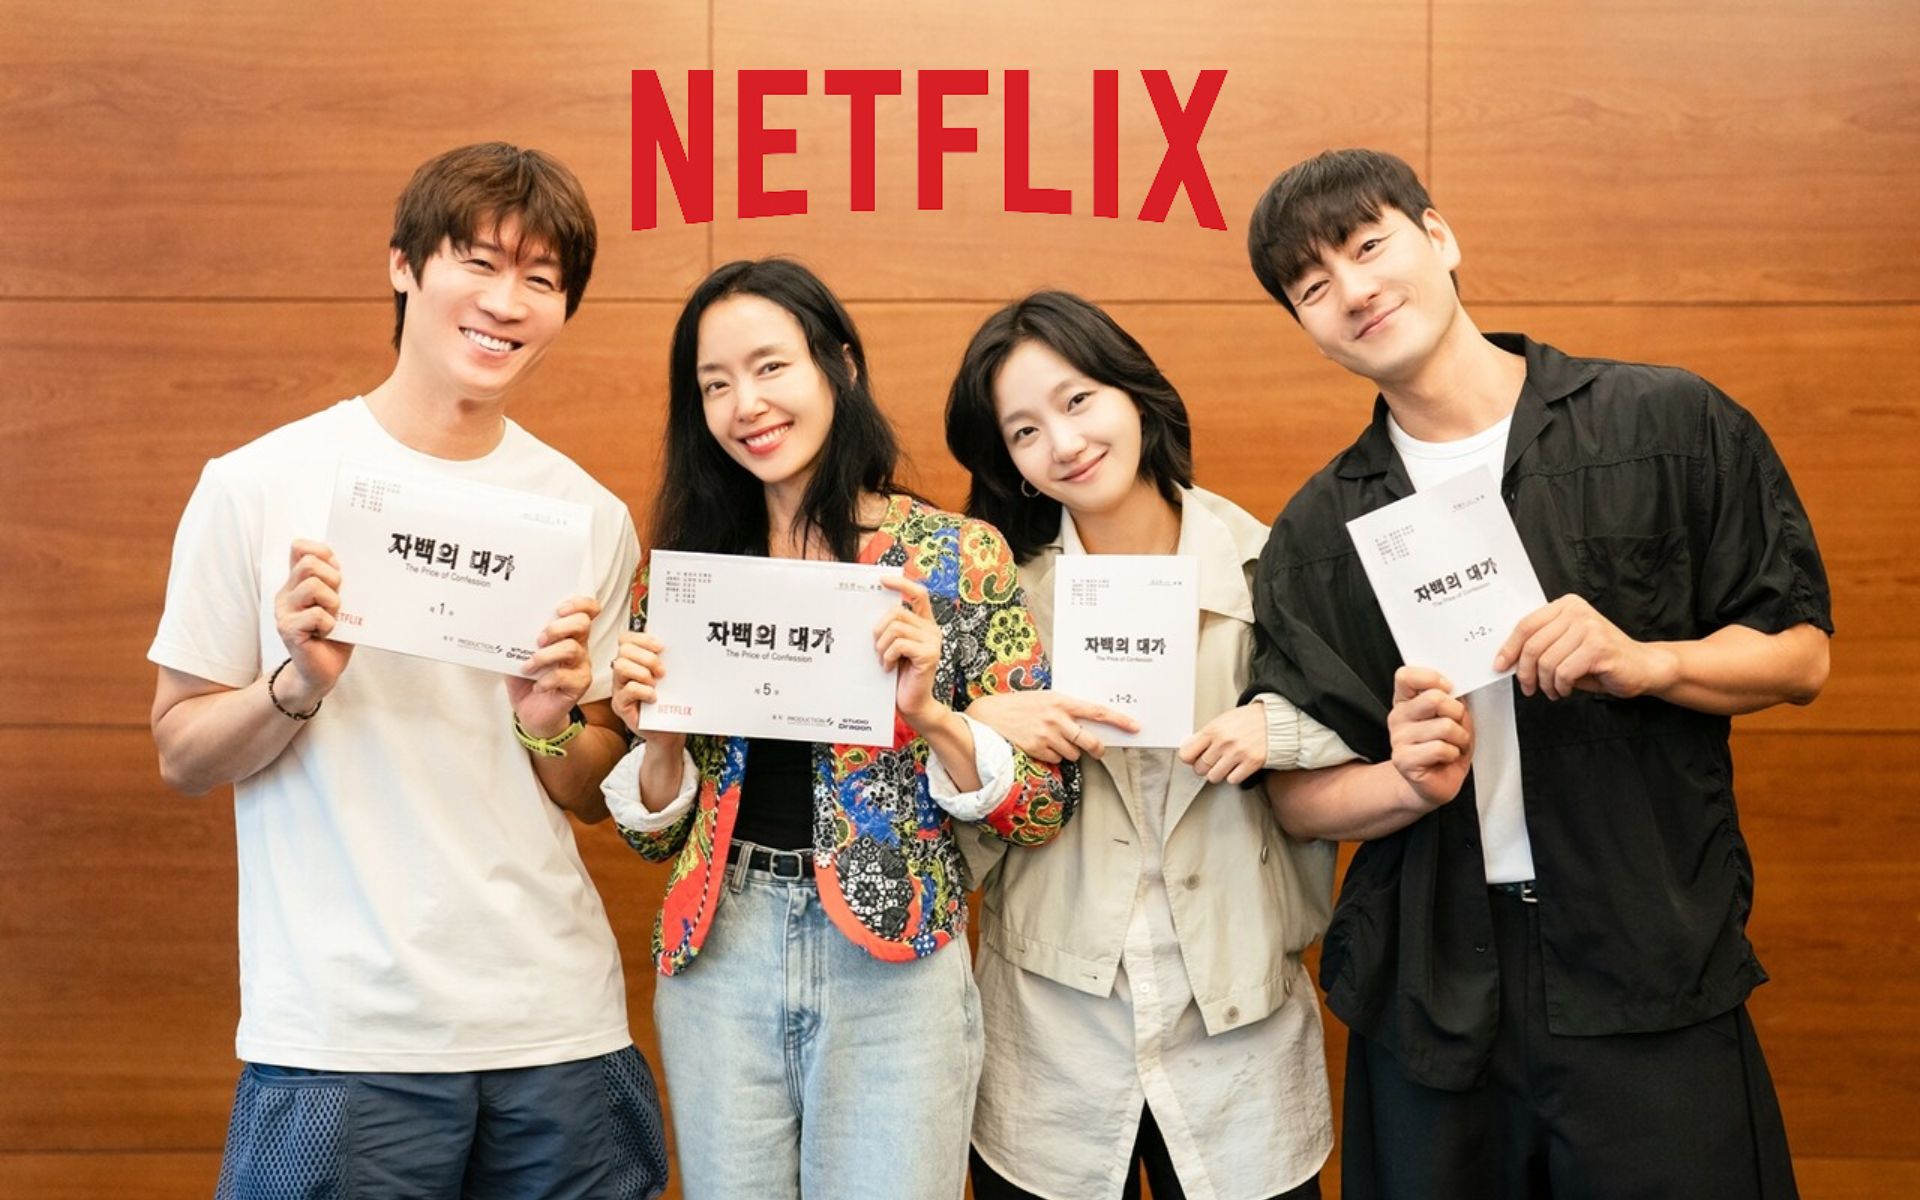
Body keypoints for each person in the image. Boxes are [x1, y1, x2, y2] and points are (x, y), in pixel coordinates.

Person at [1243, 147, 1832, 1199]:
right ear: (1305, 326)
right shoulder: (1318, 531)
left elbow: (1799, 654)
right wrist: (1402, 781)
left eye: (1369, 246)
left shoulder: (1666, 424)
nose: (1354, 291)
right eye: (1314, 287)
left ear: (1440, 236)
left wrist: (1647, 661)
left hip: (1649, 959)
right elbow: (1293, 800)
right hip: (1432, 988)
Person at [148, 142, 667, 1199]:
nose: (506, 303)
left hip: (556, 1026)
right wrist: (296, 685)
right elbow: (182, 753)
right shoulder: (258, 485)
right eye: (478, 262)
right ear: (403, 265)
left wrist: (549, 721)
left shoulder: (588, 515)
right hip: (342, 1035)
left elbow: (589, 790)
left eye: (541, 279)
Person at [601, 258, 1077, 1200]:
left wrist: (935, 717)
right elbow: (653, 837)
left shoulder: (956, 558)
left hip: (896, 964)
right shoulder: (691, 573)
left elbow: (1039, 808)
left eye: (770, 367)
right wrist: (658, 740)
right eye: (715, 385)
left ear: (840, 367)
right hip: (720, 950)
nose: (746, 404)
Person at [944, 290, 1365, 1200]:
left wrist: (1277, 728)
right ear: (1011, 465)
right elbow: (946, 839)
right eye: (1024, 432)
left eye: (1078, 399)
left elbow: (1374, 716)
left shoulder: (1269, 564)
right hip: (1051, 1042)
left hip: (1238, 1038)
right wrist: (980, 728)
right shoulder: (995, 602)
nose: (1063, 442)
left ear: (1135, 393)